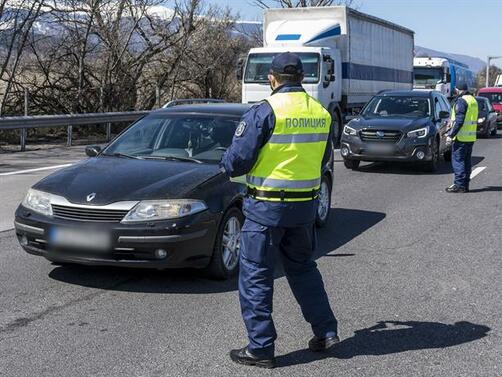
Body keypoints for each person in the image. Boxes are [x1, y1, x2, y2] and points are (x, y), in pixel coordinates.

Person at [220, 52, 339, 369]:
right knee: (303, 270)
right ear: (301, 78)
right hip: (304, 210)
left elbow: (236, 161)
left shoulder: (265, 111)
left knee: (256, 276)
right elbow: (324, 157)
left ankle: (261, 349)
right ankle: (326, 331)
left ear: (272, 79)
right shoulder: (321, 113)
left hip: (266, 209)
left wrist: (227, 165)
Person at [445, 83, 478, 193]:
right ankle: (465, 185)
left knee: (458, 161)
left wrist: (451, 134)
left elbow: (459, 121)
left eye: (456, 89)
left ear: (459, 90)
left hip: (461, 137)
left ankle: (459, 185)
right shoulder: (473, 100)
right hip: (470, 137)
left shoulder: (461, 101)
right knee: (467, 162)